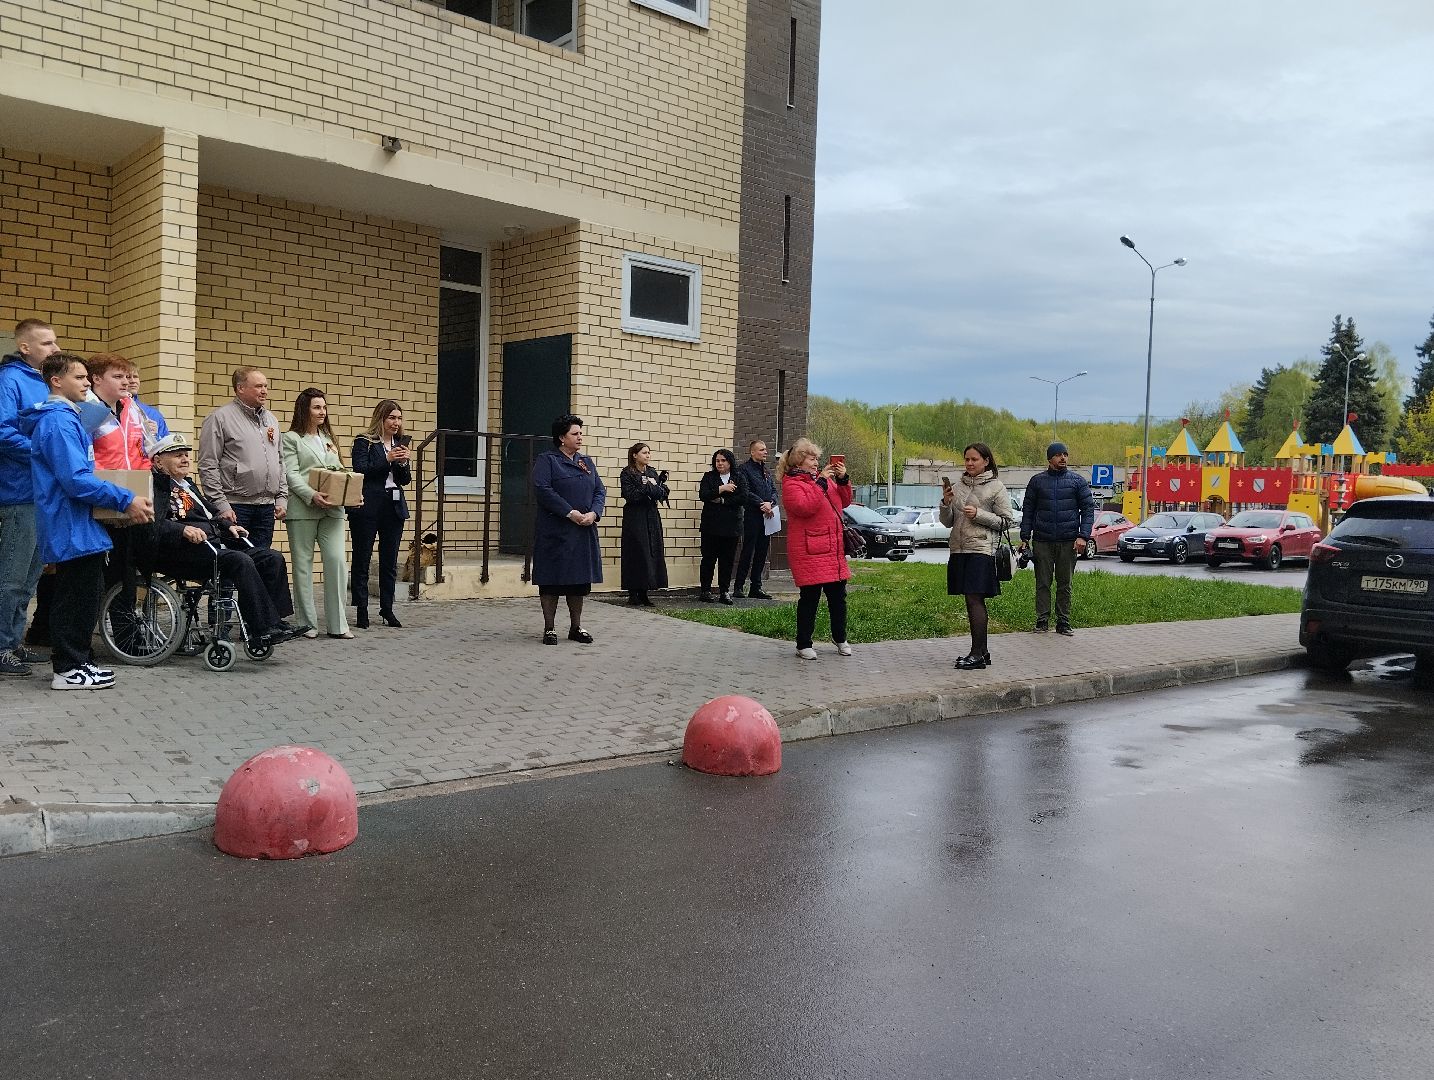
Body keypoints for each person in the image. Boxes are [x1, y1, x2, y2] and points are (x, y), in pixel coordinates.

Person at [18, 352, 154, 689]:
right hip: (68, 520)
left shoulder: (68, 417)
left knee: (85, 592)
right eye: (79, 378)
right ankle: (67, 667)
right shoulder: (59, 421)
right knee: (75, 595)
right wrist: (125, 499)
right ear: (56, 381)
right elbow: (75, 478)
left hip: (78, 521)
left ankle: (78, 661)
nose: (86, 383)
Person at [146, 433, 308, 648]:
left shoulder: (187, 485)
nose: (185, 459)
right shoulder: (155, 487)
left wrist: (229, 526)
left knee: (272, 558)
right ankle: (263, 626)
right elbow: (153, 522)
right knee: (239, 560)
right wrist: (182, 530)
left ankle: (274, 623)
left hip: (212, 547)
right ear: (158, 461)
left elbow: (211, 514)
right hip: (183, 552)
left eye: (186, 454)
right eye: (177, 455)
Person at [0, 319, 62, 677]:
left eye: (55, 343)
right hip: (20, 492)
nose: (55, 349)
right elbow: (4, 431)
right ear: (26, 347)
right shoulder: (10, 380)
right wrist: (44, 451)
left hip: (43, 494)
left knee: (29, 578)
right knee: (10, 577)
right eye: (47, 344)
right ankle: (2, 647)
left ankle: (12, 643)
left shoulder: (43, 381)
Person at [281, 387, 352, 639]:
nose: (322, 412)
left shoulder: (328, 438)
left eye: (324, 407)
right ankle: (307, 624)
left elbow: (340, 470)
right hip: (303, 509)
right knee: (303, 566)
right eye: (317, 407)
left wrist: (353, 492)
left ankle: (338, 625)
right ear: (304, 410)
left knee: (337, 562)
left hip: (333, 510)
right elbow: (291, 474)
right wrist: (311, 495)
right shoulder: (291, 438)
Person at [531, 413, 605, 645]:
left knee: (578, 581)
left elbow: (599, 490)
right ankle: (550, 628)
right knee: (552, 580)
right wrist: (570, 512)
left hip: (583, 531)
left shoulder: (586, 462)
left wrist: (593, 513)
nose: (580, 437)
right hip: (556, 530)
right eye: (575, 434)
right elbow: (543, 489)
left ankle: (576, 627)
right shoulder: (547, 460)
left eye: (581, 433)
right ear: (562, 437)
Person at [939, 442, 1014, 669]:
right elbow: (948, 522)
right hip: (959, 549)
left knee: (975, 599)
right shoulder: (958, 486)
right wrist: (946, 504)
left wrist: (979, 514)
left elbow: (1006, 521)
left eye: (974, 459)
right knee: (969, 599)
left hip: (981, 550)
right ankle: (982, 651)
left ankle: (977, 654)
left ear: (986, 461)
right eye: (967, 459)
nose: (970, 463)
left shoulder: (996, 487)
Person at [780, 437, 853, 660]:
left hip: (832, 549)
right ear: (799, 461)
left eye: (817, 458)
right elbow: (805, 507)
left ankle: (840, 638)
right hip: (809, 550)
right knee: (810, 598)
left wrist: (842, 480)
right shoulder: (791, 483)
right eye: (812, 458)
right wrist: (821, 482)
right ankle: (803, 643)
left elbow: (845, 501)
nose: (816, 462)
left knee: (838, 598)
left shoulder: (825, 480)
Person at [198, 366, 286, 550]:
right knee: (238, 565)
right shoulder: (220, 418)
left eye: (266, 386)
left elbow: (280, 461)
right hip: (236, 507)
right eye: (258, 386)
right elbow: (208, 465)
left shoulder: (272, 420)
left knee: (263, 561)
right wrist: (221, 505)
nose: (264, 391)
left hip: (266, 508)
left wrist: (281, 498)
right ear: (240, 388)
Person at [1019, 441, 1095, 637]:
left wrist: (1083, 536)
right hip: (1042, 540)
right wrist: (1024, 537)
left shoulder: (1077, 482)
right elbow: (1028, 510)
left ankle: (1063, 621)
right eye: (1058, 454)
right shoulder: (1037, 481)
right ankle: (1042, 620)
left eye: (1066, 454)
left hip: (1068, 540)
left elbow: (1088, 510)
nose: (1063, 458)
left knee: (1065, 583)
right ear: (1049, 458)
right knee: (1042, 582)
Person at [349, 398, 410, 629]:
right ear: (381, 419)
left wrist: (403, 463)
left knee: (389, 560)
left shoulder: (399, 443)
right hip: (367, 505)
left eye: (399, 418)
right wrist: (387, 459)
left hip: (393, 507)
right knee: (362, 557)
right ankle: (362, 609)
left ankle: (387, 608)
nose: (396, 422)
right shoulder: (365, 441)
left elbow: (404, 480)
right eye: (391, 418)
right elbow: (360, 470)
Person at [619, 442, 669, 606]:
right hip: (635, 516)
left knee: (651, 552)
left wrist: (651, 488)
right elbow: (630, 495)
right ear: (635, 455)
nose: (647, 455)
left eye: (649, 453)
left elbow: (660, 493)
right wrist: (648, 488)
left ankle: (645, 591)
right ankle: (633, 592)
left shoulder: (652, 472)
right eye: (644, 453)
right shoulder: (627, 473)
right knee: (636, 552)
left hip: (651, 515)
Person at [85, 353, 150, 470]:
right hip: (102, 485)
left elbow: (143, 452)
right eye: (118, 377)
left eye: (126, 376)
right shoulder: (86, 411)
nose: (126, 382)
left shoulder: (133, 409)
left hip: (136, 484)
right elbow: (84, 460)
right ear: (97, 379)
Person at [698, 448, 746, 605]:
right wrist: (722, 489)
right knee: (708, 559)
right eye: (717, 461)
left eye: (723, 460)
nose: (719, 463)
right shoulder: (709, 477)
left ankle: (724, 591)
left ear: (730, 462)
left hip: (731, 526)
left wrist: (723, 500)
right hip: (711, 526)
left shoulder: (739, 477)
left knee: (727, 560)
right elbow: (704, 495)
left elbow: (743, 498)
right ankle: (705, 590)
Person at [734, 438, 778, 600]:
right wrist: (760, 503)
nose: (765, 452)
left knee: (762, 552)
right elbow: (745, 491)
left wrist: (771, 503)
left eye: (765, 449)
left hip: (767, 517)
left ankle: (756, 587)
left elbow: (773, 490)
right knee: (748, 551)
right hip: (752, 515)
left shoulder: (766, 471)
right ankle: (739, 586)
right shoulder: (744, 470)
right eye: (761, 450)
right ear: (752, 452)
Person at [124, 367, 169, 450]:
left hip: (148, 461)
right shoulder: (113, 410)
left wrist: (156, 436)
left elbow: (166, 447)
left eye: (135, 376)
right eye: (128, 377)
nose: (133, 381)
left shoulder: (154, 414)